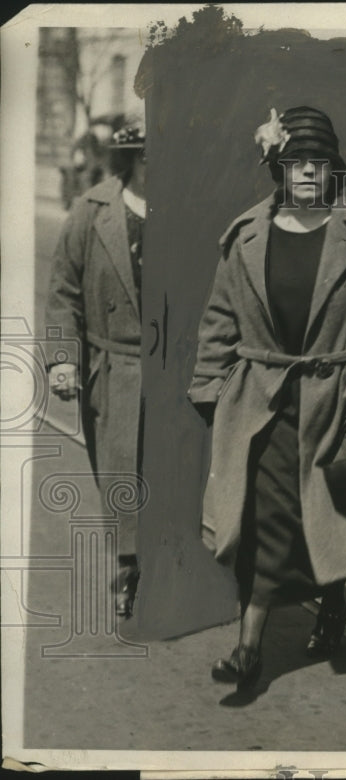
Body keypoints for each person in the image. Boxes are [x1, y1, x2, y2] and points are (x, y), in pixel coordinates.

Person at [188, 106, 346, 689]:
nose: (308, 174)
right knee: (264, 522)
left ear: (333, 171)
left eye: (319, 164)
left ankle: (332, 599)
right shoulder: (245, 237)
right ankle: (248, 648)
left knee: (324, 512)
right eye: (295, 163)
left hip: (333, 399)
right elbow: (219, 318)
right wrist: (211, 389)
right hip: (260, 403)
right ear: (277, 168)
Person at [47, 119, 148, 619]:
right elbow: (64, 291)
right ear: (129, 159)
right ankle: (128, 568)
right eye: (149, 157)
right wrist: (64, 360)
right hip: (113, 366)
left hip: (172, 368)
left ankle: (171, 564)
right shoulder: (92, 211)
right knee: (121, 475)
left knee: (173, 475)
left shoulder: (187, 210)